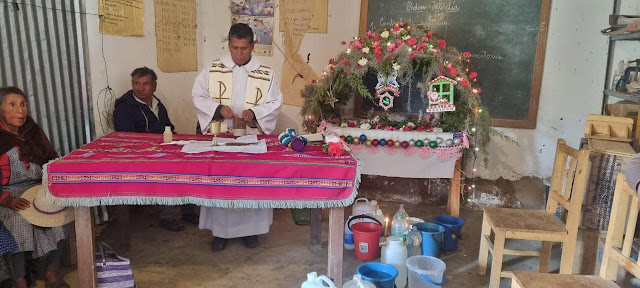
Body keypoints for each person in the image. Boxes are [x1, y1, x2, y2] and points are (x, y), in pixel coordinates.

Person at [192, 23, 283, 250]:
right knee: (222, 182)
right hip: (222, 137)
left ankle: (251, 231)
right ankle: (221, 233)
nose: (239, 53)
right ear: (229, 44)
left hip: (250, 137)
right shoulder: (212, 69)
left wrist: (256, 113)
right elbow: (198, 95)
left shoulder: (266, 73)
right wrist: (218, 109)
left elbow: (274, 102)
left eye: (244, 48)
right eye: (234, 48)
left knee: (251, 182)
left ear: (253, 46)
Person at [113, 67, 199, 231]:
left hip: (161, 148)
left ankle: (188, 210)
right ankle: (166, 217)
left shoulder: (157, 104)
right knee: (167, 170)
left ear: (154, 87)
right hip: (139, 154)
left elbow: (168, 127)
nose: (140, 88)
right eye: (136, 84)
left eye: (145, 84)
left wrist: (178, 142)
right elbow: (128, 139)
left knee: (189, 163)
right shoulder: (124, 108)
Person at [0, 87, 70, 288]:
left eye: (23, 104)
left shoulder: (33, 130)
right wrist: (5, 200)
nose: (20, 110)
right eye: (12, 105)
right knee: (18, 220)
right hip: (8, 193)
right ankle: (19, 278)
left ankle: (51, 271)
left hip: (38, 187)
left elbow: (51, 158)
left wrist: (49, 185)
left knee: (61, 214)